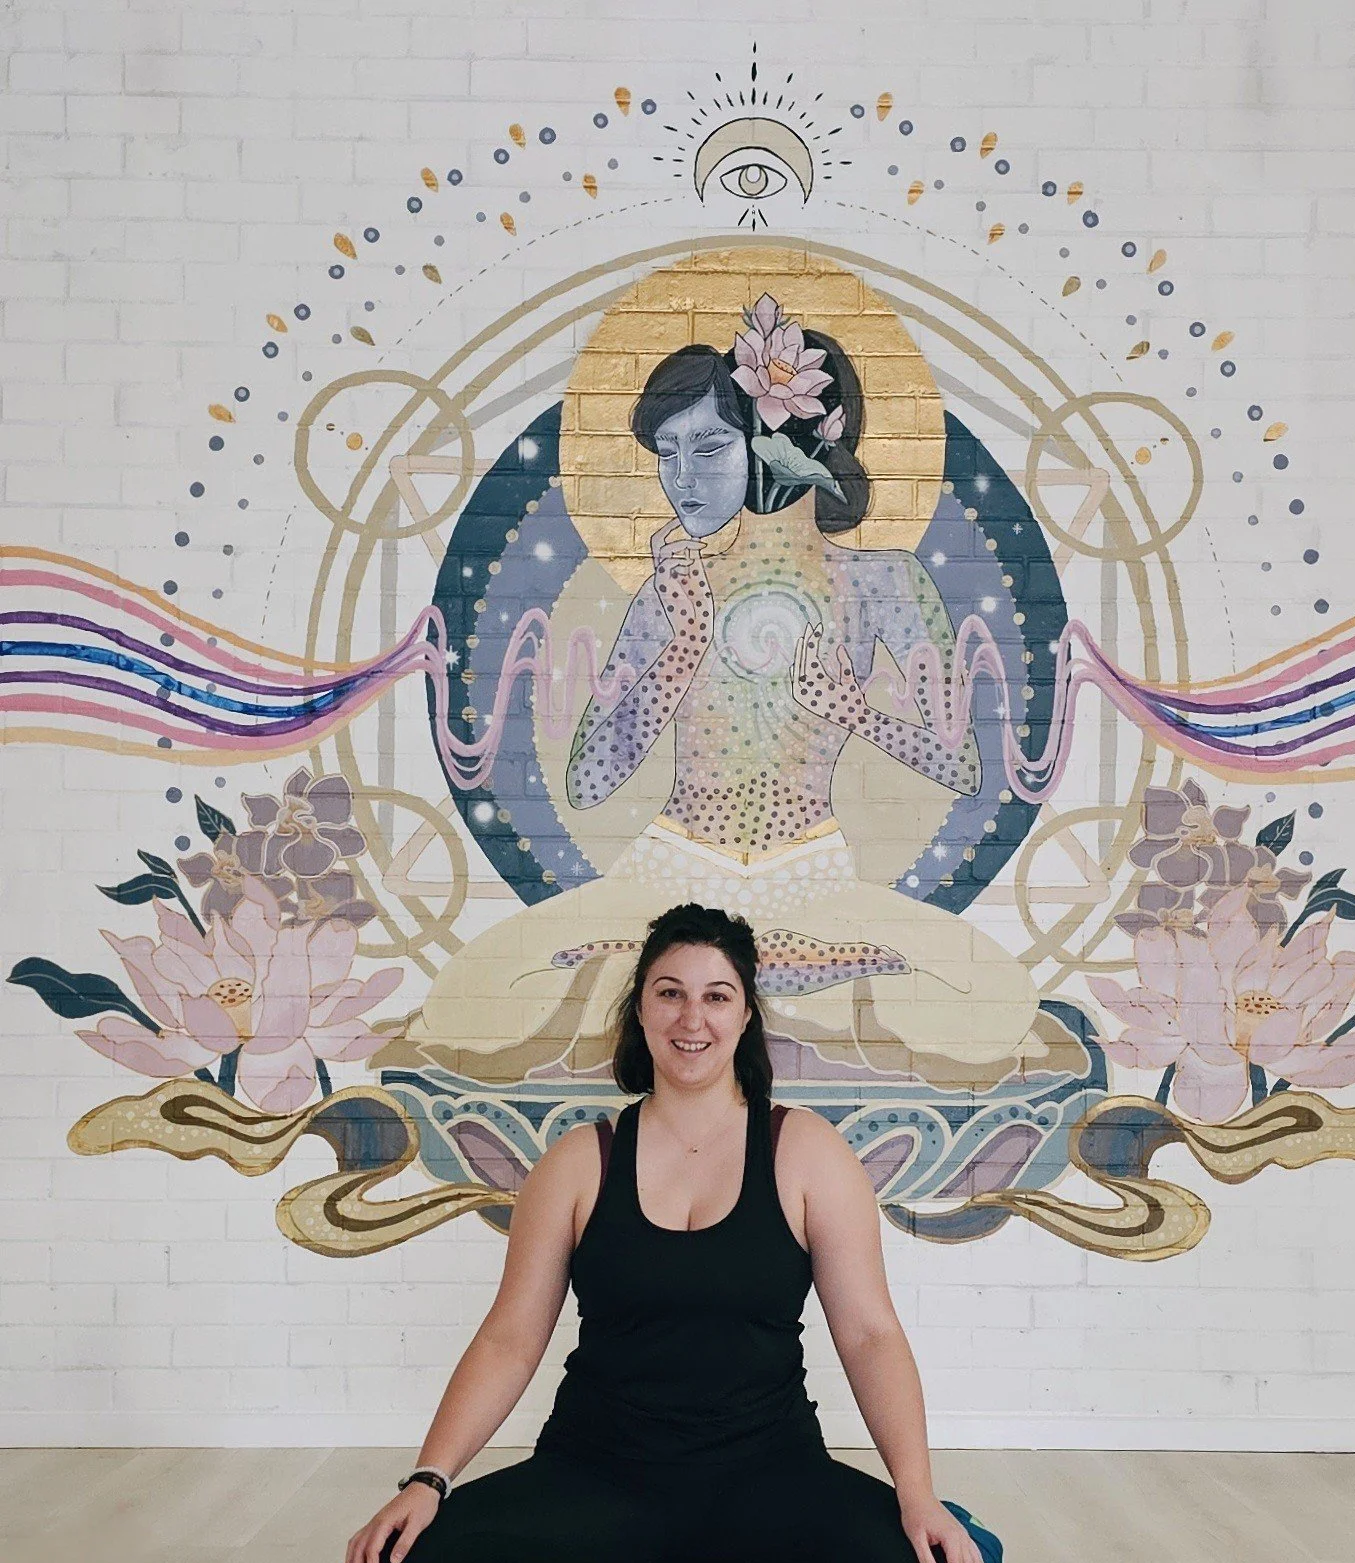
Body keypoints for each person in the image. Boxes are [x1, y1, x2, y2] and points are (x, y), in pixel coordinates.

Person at [391, 305, 1043, 1089]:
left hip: (815, 880)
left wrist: (855, 711)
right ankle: (755, 990)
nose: (682, 477)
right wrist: (684, 645)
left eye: (708, 446)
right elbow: (588, 782)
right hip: (666, 874)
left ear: (784, 442)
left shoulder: (883, 582)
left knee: (995, 999)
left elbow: (964, 768)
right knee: (470, 996)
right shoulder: (671, 587)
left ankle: (773, 981)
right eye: (667, 453)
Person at [348, 903, 1004, 1563]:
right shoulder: (579, 1161)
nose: (692, 1016)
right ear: (640, 1010)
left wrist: (917, 1494)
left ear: (746, 1014)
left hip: (766, 1477)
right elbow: (509, 1337)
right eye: (669, 992)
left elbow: (870, 1334)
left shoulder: (805, 1153)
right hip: (598, 1478)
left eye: (716, 995)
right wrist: (429, 1480)